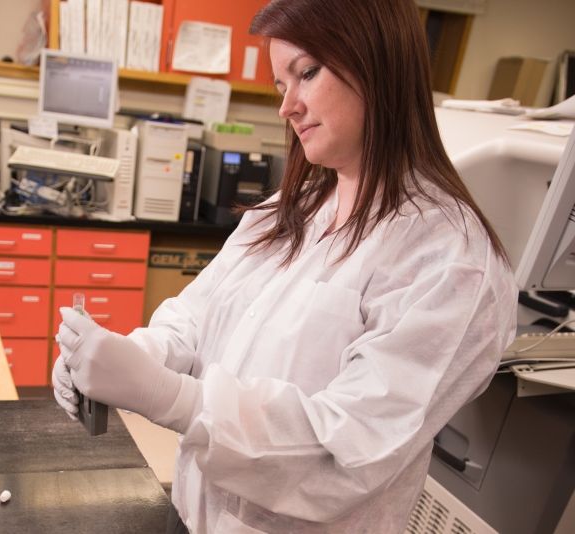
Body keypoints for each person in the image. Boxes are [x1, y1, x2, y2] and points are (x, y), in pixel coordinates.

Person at [53, 0, 518, 531]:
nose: (287, 106)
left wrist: (170, 398)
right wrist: (124, 356)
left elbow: (346, 450)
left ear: (377, 63)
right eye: (280, 85)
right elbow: (195, 317)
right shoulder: (289, 209)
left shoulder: (450, 260)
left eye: (307, 73)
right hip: (192, 514)